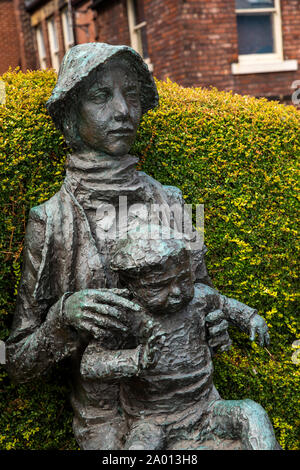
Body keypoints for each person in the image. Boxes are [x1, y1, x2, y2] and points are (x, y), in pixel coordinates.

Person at [6, 43, 229, 450]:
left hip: (194, 409)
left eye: (131, 94)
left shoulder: (175, 203)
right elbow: (18, 363)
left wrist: (214, 322)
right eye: (100, 96)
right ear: (71, 119)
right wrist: (63, 317)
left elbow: (204, 294)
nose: (123, 110)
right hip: (110, 426)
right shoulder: (51, 221)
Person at [80, 225, 279, 450]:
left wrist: (251, 318)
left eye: (183, 279)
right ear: (131, 284)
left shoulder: (200, 298)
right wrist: (136, 359)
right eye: (159, 286)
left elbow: (224, 303)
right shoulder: (125, 314)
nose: (175, 292)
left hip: (206, 407)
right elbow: (90, 364)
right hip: (150, 420)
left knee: (251, 413)